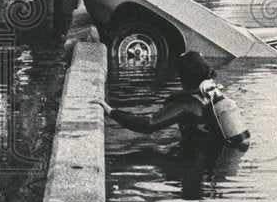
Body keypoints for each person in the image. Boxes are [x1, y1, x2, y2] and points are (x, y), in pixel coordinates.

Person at [94, 51, 249, 149]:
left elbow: (147, 125)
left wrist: (111, 111)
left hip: (200, 161)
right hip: (225, 156)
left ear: (184, 77)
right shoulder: (215, 93)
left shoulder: (186, 105)